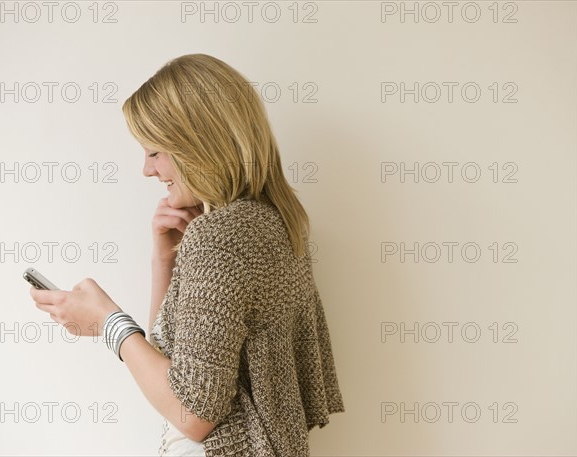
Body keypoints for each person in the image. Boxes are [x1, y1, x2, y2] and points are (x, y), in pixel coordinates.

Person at [29, 53, 345, 456]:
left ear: (200, 144)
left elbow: (192, 412)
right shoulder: (278, 221)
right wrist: (166, 258)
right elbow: (177, 361)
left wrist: (108, 322)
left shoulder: (220, 239)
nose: (147, 170)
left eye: (155, 152)